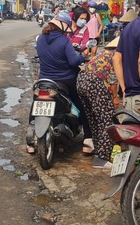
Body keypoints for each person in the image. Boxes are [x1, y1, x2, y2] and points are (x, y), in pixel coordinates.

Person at [35, 12, 89, 153]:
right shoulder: (64, 41)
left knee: (37, 103)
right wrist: (83, 56)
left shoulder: (40, 38)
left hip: (44, 80)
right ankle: (89, 139)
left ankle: (30, 143)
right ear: (64, 27)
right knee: (82, 105)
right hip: (65, 80)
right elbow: (72, 62)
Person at [76, 36, 121, 168]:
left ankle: (97, 149)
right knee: (107, 120)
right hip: (95, 83)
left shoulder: (102, 54)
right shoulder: (116, 56)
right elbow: (113, 80)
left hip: (81, 81)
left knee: (94, 119)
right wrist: (115, 97)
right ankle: (101, 158)